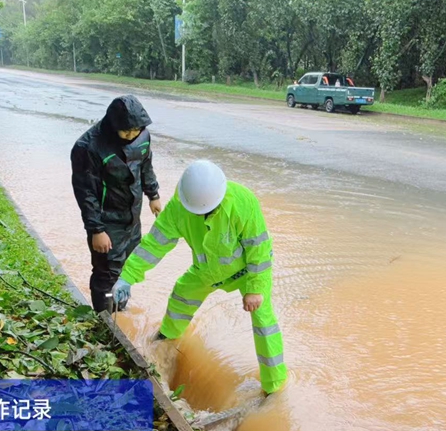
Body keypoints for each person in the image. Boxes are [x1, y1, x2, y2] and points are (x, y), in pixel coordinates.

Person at [109, 160, 288, 395]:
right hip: (207, 270)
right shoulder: (177, 209)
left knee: (264, 321)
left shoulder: (243, 202)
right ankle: (166, 338)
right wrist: (127, 277)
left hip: (248, 271)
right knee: (182, 294)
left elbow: (260, 250)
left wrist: (254, 289)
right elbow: (153, 245)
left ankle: (274, 386)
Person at [71, 95, 161, 312]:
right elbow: (86, 193)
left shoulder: (142, 136)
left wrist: (153, 194)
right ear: (113, 125)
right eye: (126, 131)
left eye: (136, 130)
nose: (131, 136)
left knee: (128, 268)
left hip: (132, 218)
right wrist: (96, 229)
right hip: (107, 222)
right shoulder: (88, 147)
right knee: (106, 274)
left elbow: (145, 167)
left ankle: (119, 311)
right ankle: (105, 320)